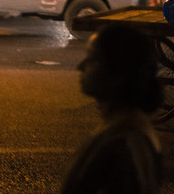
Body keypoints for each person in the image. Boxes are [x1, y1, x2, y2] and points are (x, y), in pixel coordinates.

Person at [60, 24, 163, 194]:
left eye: (93, 59)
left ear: (119, 73)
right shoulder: (124, 128)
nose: (81, 66)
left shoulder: (126, 142)